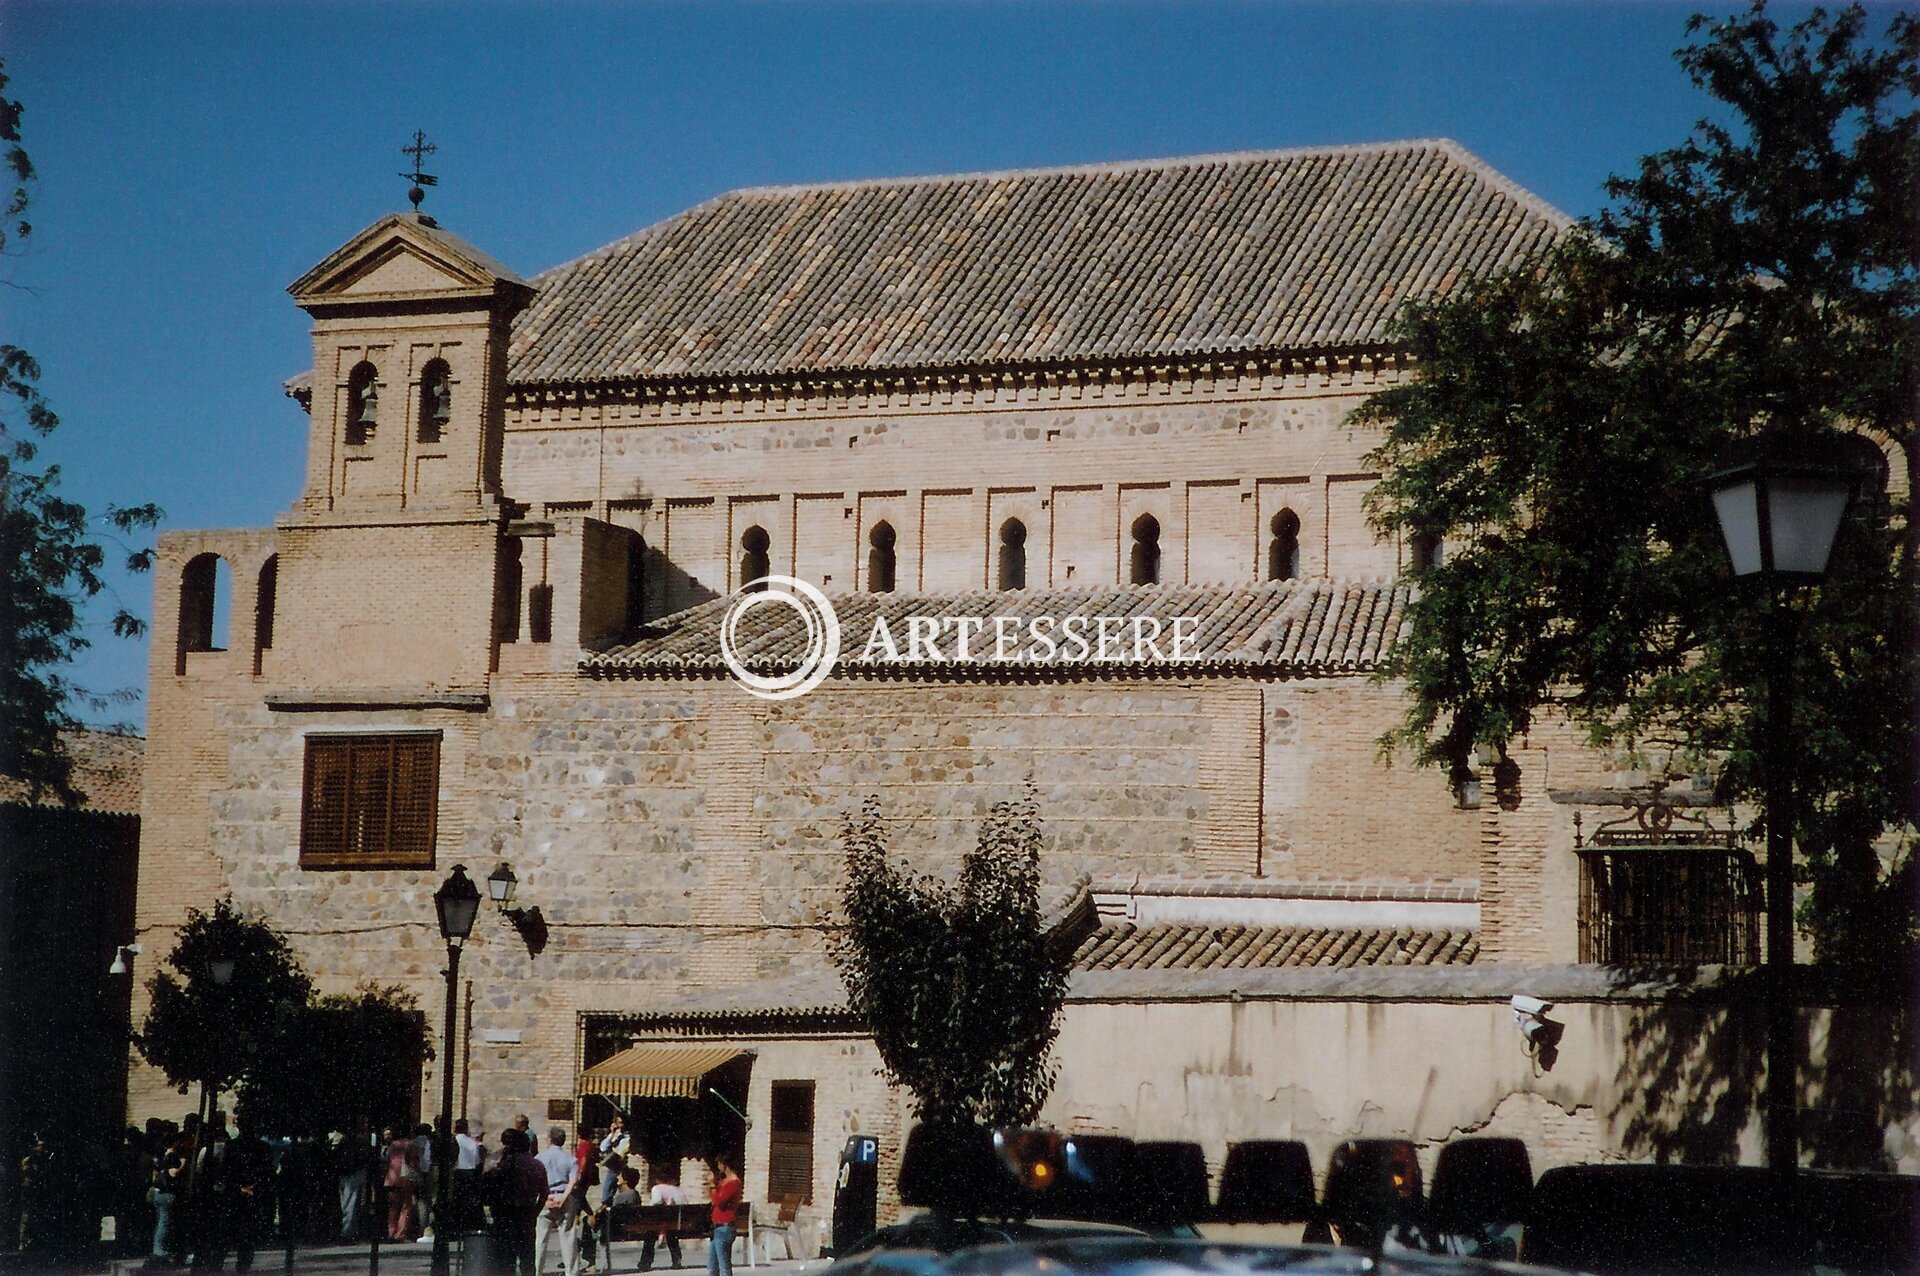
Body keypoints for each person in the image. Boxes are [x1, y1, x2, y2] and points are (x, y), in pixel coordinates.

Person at [483, 1128, 549, 1276]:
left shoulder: (503, 1163)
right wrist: (535, 1211)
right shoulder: (536, 1165)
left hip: (505, 1213)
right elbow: (544, 1192)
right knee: (527, 1257)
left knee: (505, 1258)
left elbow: (490, 1186)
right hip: (527, 1212)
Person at [226, 1114, 274, 1271]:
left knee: (241, 1230)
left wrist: (239, 1187)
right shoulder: (263, 1147)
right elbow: (267, 1172)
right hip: (251, 1192)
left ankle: (242, 1261)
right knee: (248, 1232)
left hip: (240, 1193)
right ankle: (244, 1262)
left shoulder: (232, 1146)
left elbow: (226, 1172)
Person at [534, 1126, 578, 1275]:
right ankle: (571, 1272)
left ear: (550, 1140)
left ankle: (536, 1271)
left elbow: (536, 1181)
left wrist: (545, 1198)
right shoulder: (571, 1159)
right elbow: (573, 1181)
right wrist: (563, 1197)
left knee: (540, 1239)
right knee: (568, 1237)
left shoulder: (539, 1158)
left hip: (546, 1198)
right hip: (564, 1198)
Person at [638, 1169, 684, 1272]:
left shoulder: (657, 1189)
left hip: (660, 1223)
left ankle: (646, 1262)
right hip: (677, 1223)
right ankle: (677, 1259)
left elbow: (656, 1203)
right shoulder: (677, 1189)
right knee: (671, 1232)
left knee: (650, 1233)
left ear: (657, 1180)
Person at [705, 1156, 741, 1276]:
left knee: (724, 1266)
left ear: (724, 1165)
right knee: (712, 1267)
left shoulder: (733, 1183)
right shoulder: (724, 1182)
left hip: (724, 1227)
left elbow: (720, 1201)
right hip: (716, 1227)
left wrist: (713, 1187)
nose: (718, 1167)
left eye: (719, 1164)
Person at [383, 1126, 419, 1241]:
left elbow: (386, 1160)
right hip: (405, 1177)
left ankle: (391, 1232)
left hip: (391, 1178)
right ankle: (400, 1233)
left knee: (393, 1207)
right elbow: (414, 1160)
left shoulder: (392, 1145)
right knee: (406, 1206)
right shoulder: (411, 1144)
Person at [452, 1119, 485, 1236]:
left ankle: (457, 1226)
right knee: (469, 1200)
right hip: (470, 1173)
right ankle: (468, 1224)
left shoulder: (454, 1140)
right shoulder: (472, 1142)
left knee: (456, 1200)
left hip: (457, 1172)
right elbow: (477, 1161)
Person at [596, 1116, 630, 1208]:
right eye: (618, 1123)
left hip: (623, 1166)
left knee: (623, 1193)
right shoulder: (615, 1135)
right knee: (607, 1193)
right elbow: (603, 1147)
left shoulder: (629, 1136)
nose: (620, 1125)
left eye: (621, 1123)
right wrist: (612, 1133)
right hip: (613, 1166)